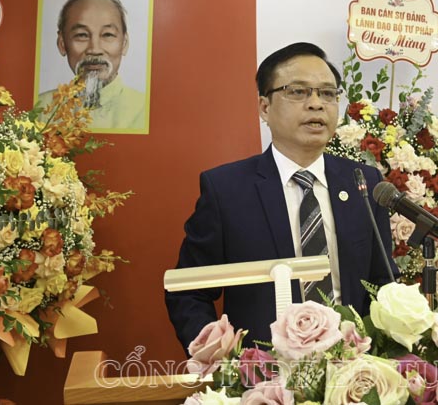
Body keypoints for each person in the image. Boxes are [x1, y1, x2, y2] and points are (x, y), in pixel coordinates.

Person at [165, 42, 397, 350]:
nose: (316, 104)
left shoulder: (363, 182)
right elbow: (188, 291)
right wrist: (222, 357)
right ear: (264, 107)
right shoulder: (226, 190)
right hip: (261, 371)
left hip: (351, 364)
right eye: (298, 91)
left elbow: (383, 283)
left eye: (327, 93)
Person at [37, 0, 146, 130]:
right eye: (82, 35)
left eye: (107, 35)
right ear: (62, 44)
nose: (94, 50)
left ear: (124, 43)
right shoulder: (39, 109)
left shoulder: (145, 109)